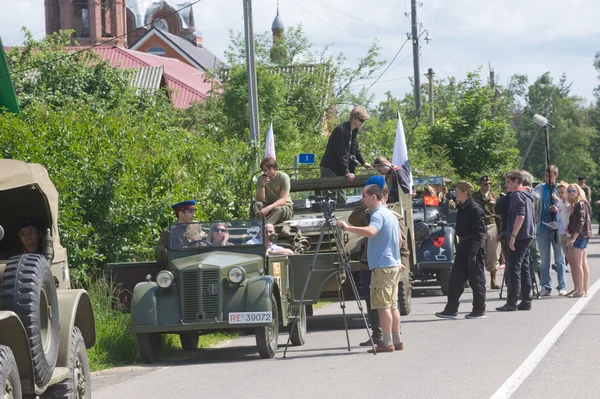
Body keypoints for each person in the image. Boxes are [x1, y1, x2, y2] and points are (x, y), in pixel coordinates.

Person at [337, 184, 404, 353]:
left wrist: (347, 227)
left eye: (364, 197)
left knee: (383, 306)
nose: (363, 200)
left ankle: (387, 342)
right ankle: (397, 340)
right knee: (392, 305)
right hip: (393, 264)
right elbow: (401, 241)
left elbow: (371, 231)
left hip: (383, 266)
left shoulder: (378, 214)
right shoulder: (391, 214)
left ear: (373, 197)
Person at [435, 181, 487, 320]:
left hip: (473, 246)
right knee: (455, 280)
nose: (455, 194)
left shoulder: (475, 209)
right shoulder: (463, 207)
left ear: (465, 193)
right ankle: (451, 309)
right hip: (463, 245)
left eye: (458, 192)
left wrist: (473, 253)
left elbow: (480, 233)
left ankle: (479, 309)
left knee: (477, 280)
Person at [348, 175, 386, 347]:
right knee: (371, 301)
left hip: (383, 262)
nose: (363, 197)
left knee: (386, 301)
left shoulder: (384, 213)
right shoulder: (366, 211)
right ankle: (377, 334)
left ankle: (391, 333)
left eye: (365, 194)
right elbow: (353, 219)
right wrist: (362, 206)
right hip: (367, 261)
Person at [496, 170, 536, 311]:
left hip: (520, 236)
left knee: (513, 268)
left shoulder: (517, 195)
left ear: (516, 182)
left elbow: (521, 216)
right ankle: (526, 300)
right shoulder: (527, 193)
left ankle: (512, 302)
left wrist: (513, 236)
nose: (506, 185)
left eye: (508, 182)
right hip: (528, 235)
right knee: (524, 268)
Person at [319, 106, 372, 205]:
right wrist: (347, 172)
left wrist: (363, 162)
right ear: (354, 118)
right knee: (332, 198)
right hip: (330, 168)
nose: (363, 123)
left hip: (339, 170)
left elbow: (355, 148)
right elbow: (342, 152)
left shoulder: (354, 130)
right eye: (361, 120)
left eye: (364, 120)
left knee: (341, 199)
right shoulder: (341, 130)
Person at [534, 165, 567, 296]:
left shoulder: (561, 189)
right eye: (546, 176)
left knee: (559, 258)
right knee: (544, 259)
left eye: (551, 176)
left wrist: (557, 208)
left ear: (556, 176)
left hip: (557, 228)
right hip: (542, 227)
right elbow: (534, 197)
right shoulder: (540, 188)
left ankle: (562, 286)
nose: (548, 178)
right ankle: (545, 286)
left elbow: (567, 206)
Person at [471, 176, 501, 289]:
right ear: (480, 185)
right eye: (485, 184)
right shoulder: (474, 197)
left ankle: (493, 280)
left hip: (492, 225)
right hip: (479, 226)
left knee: (493, 254)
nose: (487, 186)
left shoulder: (494, 196)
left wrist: (500, 231)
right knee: (479, 253)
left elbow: (499, 216)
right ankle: (479, 280)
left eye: (489, 184)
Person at [155, 200, 205, 265]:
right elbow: (159, 256)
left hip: (197, 264)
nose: (194, 215)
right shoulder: (169, 231)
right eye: (190, 212)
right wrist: (179, 253)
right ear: (181, 213)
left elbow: (204, 244)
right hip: (178, 267)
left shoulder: (197, 226)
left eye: (193, 212)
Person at [566, 184, 592, 297]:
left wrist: (573, 238)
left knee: (578, 264)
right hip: (584, 235)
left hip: (580, 236)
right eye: (569, 191)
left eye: (573, 191)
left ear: (578, 191)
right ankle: (585, 289)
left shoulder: (580, 203)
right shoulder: (581, 203)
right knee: (583, 263)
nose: (571, 193)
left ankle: (581, 290)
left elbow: (581, 222)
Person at [251, 157, 293, 225]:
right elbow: (259, 199)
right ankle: (255, 225)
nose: (267, 172)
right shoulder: (261, 179)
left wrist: (268, 208)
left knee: (278, 210)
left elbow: (283, 200)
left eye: (269, 169)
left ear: (275, 168)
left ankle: (264, 228)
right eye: (264, 170)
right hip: (269, 205)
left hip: (285, 207)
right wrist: (262, 185)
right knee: (255, 204)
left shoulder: (283, 177)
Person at [554, 182, 576, 294]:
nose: (561, 194)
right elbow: (560, 218)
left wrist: (557, 200)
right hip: (561, 233)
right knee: (569, 260)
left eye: (563, 192)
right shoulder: (561, 202)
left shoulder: (569, 202)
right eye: (559, 192)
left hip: (569, 234)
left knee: (574, 261)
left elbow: (567, 210)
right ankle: (576, 287)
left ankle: (578, 287)